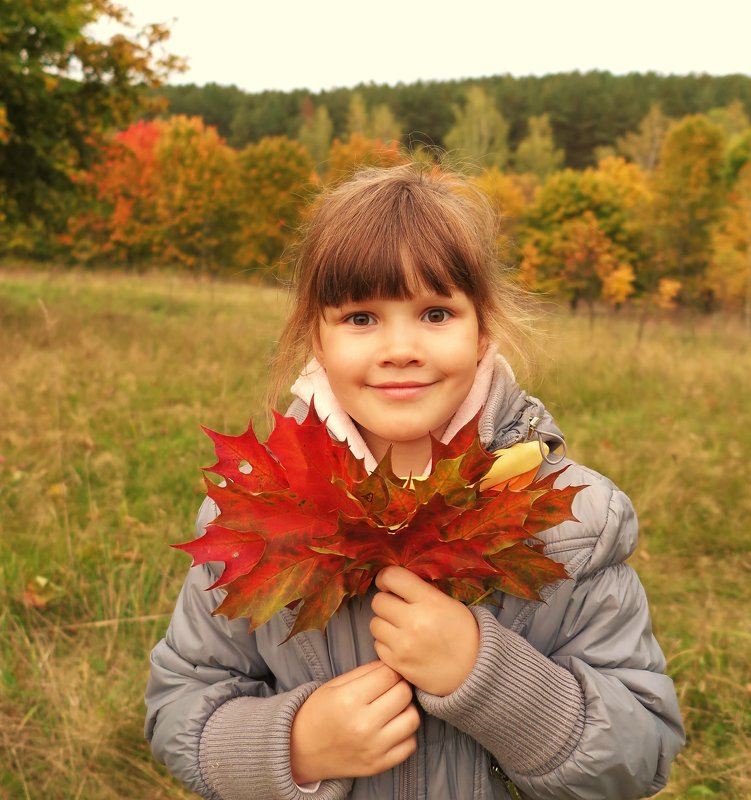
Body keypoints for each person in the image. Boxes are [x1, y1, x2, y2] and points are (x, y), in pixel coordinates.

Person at [145, 163, 685, 800]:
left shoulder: (571, 518)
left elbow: (641, 752)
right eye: (361, 318)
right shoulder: (257, 514)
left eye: (435, 312)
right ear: (314, 336)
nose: (400, 348)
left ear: (482, 329)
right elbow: (180, 706)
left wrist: (491, 679)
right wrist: (294, 747)